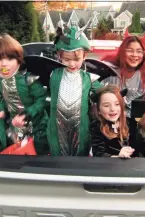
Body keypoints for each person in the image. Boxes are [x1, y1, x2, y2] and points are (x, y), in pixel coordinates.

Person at [46, 23, 102, 156]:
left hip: (81, 130)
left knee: (79, 160)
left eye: (76, 59)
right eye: (66, 59)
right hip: (56, 129)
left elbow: (103, 95)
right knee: (57, 159)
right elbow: (42, 95)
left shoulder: (89, 78)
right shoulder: (53, 75)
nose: (72, 64)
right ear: (59, 56)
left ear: (85, 55)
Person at [0, 33, 48, 155]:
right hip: (15, 127)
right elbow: (1, 98)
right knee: (17, 155)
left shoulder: (29, 79)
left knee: (38, 155)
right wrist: (2, 111)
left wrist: (26, 115)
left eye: (9, 59)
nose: (4, 64)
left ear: (18, 60)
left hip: (37, 128)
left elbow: (42, 100)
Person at [100, 29, 145, 155]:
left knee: (132, 145)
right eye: (130, 50)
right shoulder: (107, 67)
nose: (135, 55)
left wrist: (124, 101)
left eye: (139, 51)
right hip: (102, 117)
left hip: (125, 116)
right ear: (123, 51)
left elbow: (140, 91)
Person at [91, 85, 145, 158]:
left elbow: (143, 143)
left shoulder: (130, 123)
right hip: (109, 167)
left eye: (117, 104)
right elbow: (98, 154)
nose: (112, 109)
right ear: (99, 110)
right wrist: (118, 156)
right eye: (106, 105)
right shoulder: (96, 127)